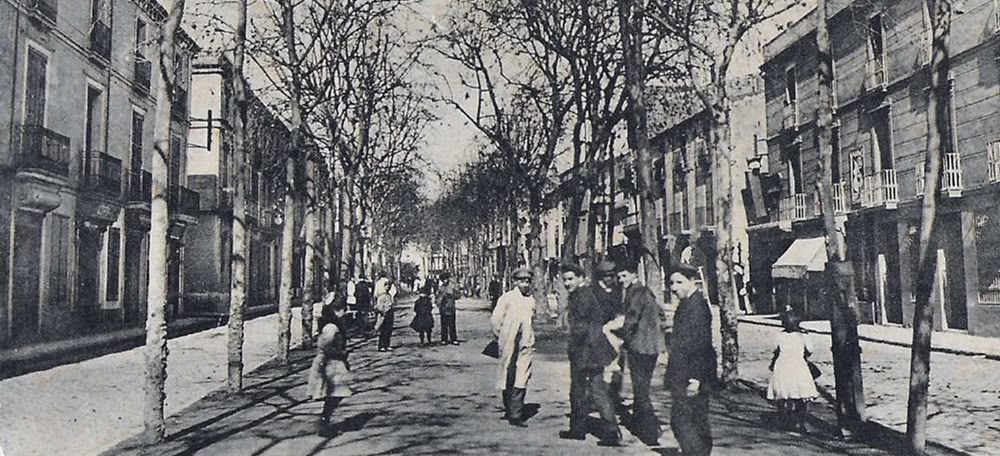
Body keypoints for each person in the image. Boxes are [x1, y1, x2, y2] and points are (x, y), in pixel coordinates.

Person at [558, 263, 622, 447]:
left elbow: (582, 327)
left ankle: (591, 430)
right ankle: (598, 430)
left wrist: (573, 342)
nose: (567, 283)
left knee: (585, 390)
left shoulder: (582, 296)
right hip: (592, 349)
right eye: (565, 280)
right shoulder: (582, 294)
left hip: (586, 350)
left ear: (580, 278)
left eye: (570, 279)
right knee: (593, 389)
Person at [665, 263, 717, 456]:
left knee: (683, 420)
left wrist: (695, 378)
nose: (673, 287)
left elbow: (700, 345)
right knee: (696, 419)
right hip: (688, 372)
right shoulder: (689, 303)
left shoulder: (696, 307)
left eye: (679, 282)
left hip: (692, 374)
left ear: (693, 281)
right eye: (671, 283)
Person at [616, 262, 666, 446]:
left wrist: (622, 336)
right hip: (651, 347)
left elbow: (631, 320)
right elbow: (661, 314)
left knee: (641, 390)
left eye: (624, 276)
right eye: (619, 277)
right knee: (641, 388)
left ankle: (651, 432)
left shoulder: (636, 292)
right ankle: (639, 424)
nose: (621, 280)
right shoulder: (646, 291)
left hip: (639, 347)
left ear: (632, 274)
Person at [490, 267, 536, 428]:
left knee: (522, 374)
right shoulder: (507, 298)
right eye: (522, 280)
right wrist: (500, 336)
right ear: (515, 282)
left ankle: (516, 414)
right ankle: (508, 408)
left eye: (528, 281)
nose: (525, 284)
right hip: (508, 340)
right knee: (507, 372)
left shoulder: (531, 300)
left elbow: (531, 320)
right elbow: (496, 319)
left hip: (525, 342)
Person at [768, 309, 818, 433]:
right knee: (801, 394)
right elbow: (810, 350)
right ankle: (800, 423)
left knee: (783, 393)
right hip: (798, 365)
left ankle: (783, 419)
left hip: (782, 365)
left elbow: (775, 349)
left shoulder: (779, 335)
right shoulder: (803, 336)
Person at [308, 303, 353, 437]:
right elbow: (324, 346)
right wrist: (341, 353)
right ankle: (324, 423)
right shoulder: (331, 327)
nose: (345, 312)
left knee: (335, 393)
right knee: (334, 393)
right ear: (334, 310)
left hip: (334, 361)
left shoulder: (333, 325)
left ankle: (324, 421)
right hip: (330, 362)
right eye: (342, 309)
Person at [593, 260, 626, 413]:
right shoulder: (595, 292)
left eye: (612, 276)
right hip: (602, 334)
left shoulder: (616, 290)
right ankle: (603, 400)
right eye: (607, 276)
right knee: (605, 368)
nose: (611, 279)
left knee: (617, 369)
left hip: (617, 334)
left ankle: (613, 397)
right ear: (601, 277)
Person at [374, 275, 397, 352]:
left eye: (389, 286)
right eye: (387, 286)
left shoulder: (389, 295)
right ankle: (381, 346)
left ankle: (387, 345)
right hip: (384, 314)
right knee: (383, 331)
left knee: (389, 330)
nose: (388, 288)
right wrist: (382, 312)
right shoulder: (382, 296)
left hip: (390, 314)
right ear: (384, 287)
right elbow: (379, 306)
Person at [438, 273, 459, 345]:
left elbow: (458, 296)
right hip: (443, 308)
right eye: (443, 280)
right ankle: (444, 339)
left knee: (452, 325)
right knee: (444, 325)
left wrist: (452, 294)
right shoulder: (440, 288)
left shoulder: (452, 287)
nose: (445, 281)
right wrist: (440, 298)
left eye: (446, 279)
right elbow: (437, 298)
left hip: (451, 308)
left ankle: (453, 339)